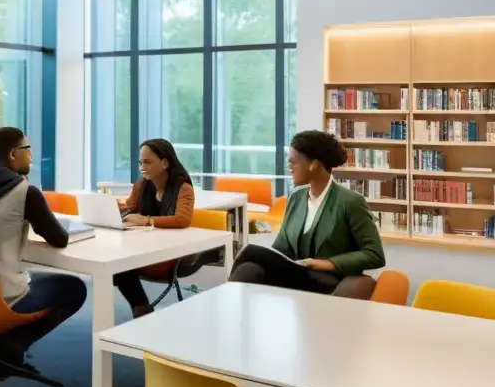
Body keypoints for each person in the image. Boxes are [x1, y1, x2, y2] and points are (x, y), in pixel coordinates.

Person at [0, 127, 87, 368]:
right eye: (28, 149)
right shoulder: (25, 192)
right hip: (1, 294)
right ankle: (14, 345)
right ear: (14, 154)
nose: (32, 155)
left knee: (33, 276)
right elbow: (59, 238)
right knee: (75, 288)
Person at [229, 130, 385, 293]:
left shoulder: (350, 202)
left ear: (313, 164)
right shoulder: (296, 197)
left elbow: (374, 254)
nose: (289, 168)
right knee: (249, 267)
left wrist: (324, 263)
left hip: (325, 279)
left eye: (293, 163)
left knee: (250, 258)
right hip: (296, 274)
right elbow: (282, 247)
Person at [113, 139, 196, 319]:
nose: (143, 167)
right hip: (145, 247)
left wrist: (146, 220)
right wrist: (113, 208)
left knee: (121, 266)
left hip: (174, 253)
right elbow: (130, 206)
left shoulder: (183, 188)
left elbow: (182, 219)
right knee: (116, 264)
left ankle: (141, 309)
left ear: (165, 163)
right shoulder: (141, 185)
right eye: (141, 163)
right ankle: (141, 308)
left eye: (148, 162)